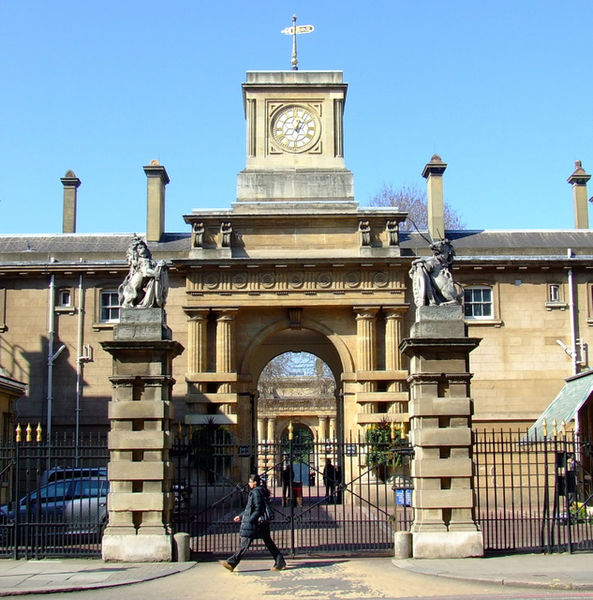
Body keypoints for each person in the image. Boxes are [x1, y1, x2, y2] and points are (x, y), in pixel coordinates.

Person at [221, 474, 286, 572]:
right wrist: (240, 516)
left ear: (255, 483)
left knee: (245, 542)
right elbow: (249, 508)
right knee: (268, 542)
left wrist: (251, 519)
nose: (249, 483)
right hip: (260, 522)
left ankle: (232, 562)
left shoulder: (256, 492)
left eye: (250, 482)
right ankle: (280, 562)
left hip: (255, 523)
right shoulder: (258, 491)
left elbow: (258, 508)